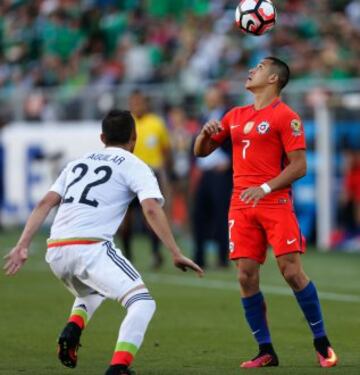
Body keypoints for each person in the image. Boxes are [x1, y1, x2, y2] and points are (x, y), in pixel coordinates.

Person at [4, 109, 203, 375]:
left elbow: (45, 203)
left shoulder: (77, 163)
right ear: (134, 137)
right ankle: (119, 367)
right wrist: (175, 252)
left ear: (102, 137)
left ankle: (73, 326)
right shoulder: (135, 165)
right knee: (143, 303)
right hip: (90, 247)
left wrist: (22, 245)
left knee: (92, 288)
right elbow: (152, 209)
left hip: (56, 251)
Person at [194, 57, 338, 368]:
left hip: (274, 202)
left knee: (291, 271)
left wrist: (266, 188)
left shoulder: (286, 116)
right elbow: (200, 152)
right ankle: (265, 350)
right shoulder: (234, 115)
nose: (250, 71)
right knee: (246, 276)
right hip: (241, 205)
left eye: (258, 68)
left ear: (273, 79)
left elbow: (300, 166)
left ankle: (322, 341)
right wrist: (205, 134)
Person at [119, 90, 171, 268]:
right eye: (133, 103)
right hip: (128, 174)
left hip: (150, 173)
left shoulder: (156, 123)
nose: (137, 106)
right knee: (126, 220)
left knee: (152, 216)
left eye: (139, 102)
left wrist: (165, 173)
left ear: (146, 104)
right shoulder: (126, 123)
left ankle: (156, 254)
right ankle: (127, 256)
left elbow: (165, 149)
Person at [192, 86, 232, 268]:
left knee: (221, 215)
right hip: (205, 172)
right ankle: (199, 257)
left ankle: (222, 258)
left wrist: (230, 162)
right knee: (199, 214)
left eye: (213, 96)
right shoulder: (204, 116)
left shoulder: (228, 115)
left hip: (220, 172)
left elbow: (235, 142)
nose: (209, 100)